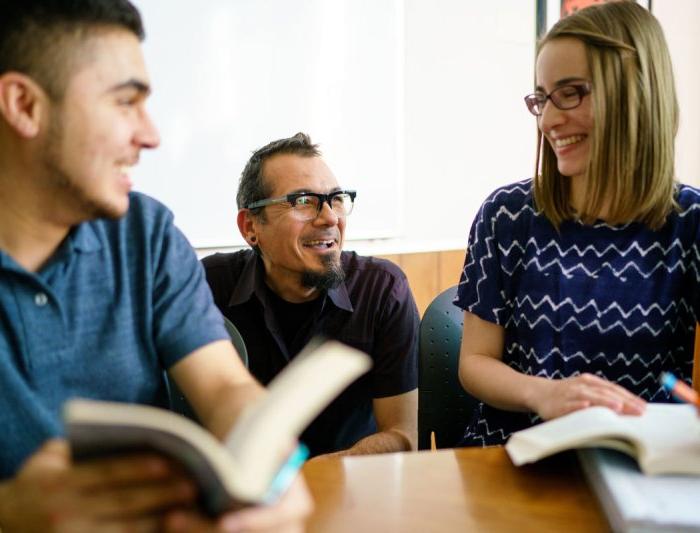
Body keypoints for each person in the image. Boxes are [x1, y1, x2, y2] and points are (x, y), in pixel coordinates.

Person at [0, 1, 311, 531]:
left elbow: (224, 387)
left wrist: (269, 459)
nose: (151, 135)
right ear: (25, 105)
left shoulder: (146, 234)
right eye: (126, 103)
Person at [456, 1, 696, 446]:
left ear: (635, 93)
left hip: (642, 467)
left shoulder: (691, 224)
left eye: (570, 93)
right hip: (514, 457)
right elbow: (474, 362)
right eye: (542, 98)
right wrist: (543, 394)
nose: (548, 120)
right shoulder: (507, 215)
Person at [203, 133, 419, 458]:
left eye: (336, 199)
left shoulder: (382, 290)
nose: (330, 217)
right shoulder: (207, 288)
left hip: (354, 488)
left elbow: (404, 436)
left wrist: (313, 475)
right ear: (250, 227)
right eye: (303, 201)